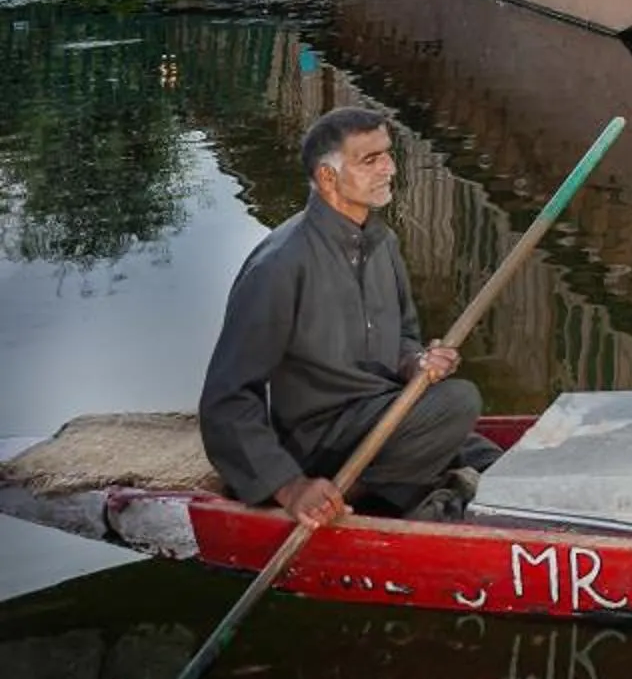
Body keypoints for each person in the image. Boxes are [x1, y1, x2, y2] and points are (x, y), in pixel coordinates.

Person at [199, 108, 496, 525]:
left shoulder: (383, 242)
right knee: (460, 402)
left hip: (381, 417)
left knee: (492, 456)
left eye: (388, 155)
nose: (390, 169)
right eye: (370, 160)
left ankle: (408, 481)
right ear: (327, 177)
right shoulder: (280, 265)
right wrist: (290, 486)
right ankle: (353, 494)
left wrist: (416, 362)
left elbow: (404, 337)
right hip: (320, 439)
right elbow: (226, 400)